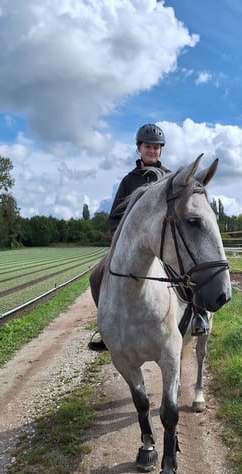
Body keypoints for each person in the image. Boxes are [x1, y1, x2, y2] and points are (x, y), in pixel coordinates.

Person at [88, 123, 210, 351]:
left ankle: (199, 317)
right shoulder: (128, 181)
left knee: (189, 272)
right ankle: (108, 329)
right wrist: (120, 243)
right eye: (147, 146)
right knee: (96, 276)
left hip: (164, 243)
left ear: (161, 150)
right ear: (138, 148)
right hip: (131, 247)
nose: (152, 150)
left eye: (156, 147)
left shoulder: (170, 179)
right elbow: (115, 217)